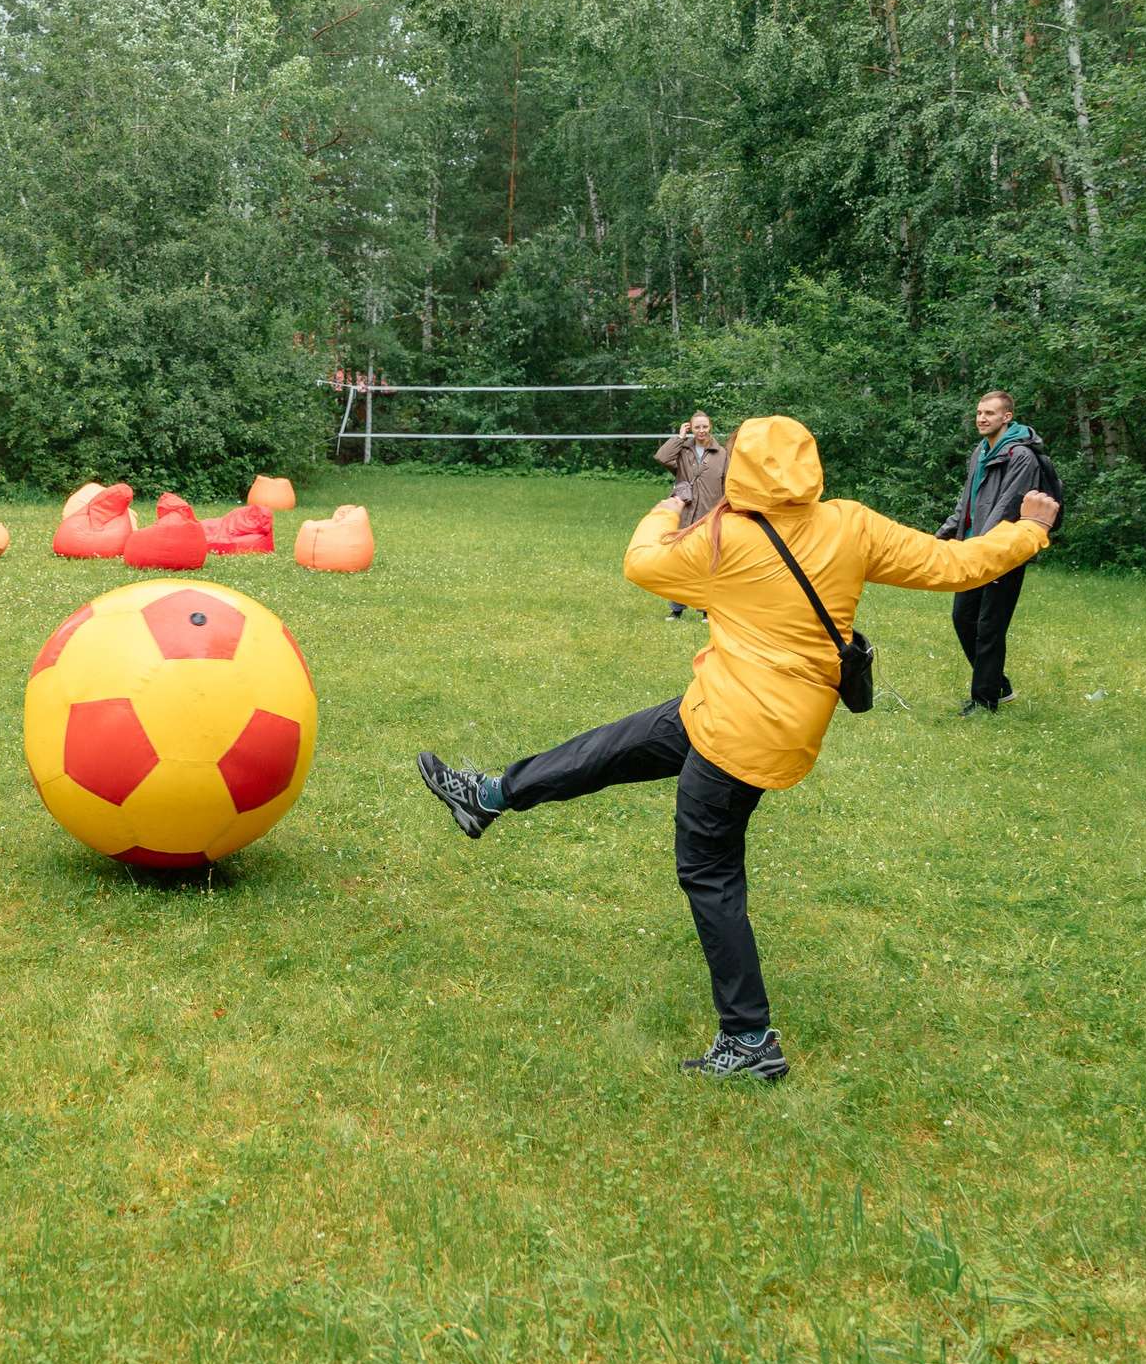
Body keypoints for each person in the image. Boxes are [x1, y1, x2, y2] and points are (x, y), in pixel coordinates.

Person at [414, 415, 1058, 1081]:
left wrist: (664, 511)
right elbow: (954, 564)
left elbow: (642, 563)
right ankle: (487, 797)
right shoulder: (849, 525)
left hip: (739, 737)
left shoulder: (722, 541)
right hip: (727, 707)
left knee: (709, 873)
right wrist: (1028, 529)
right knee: (610, 747)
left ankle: (750, 1041)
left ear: (740, 468)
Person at [935, 390, 1049, 716]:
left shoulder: (1021, 457)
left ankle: (985, 701)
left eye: (990, 413)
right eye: (979, 412)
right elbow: (966, 503)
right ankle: (999, 686)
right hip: (975, 552)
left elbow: (1006, 508)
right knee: (963, 618)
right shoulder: (980, 451)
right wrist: (943, 534)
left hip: (1004, 553)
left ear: (1006, 417)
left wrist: (981, 547)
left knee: (989, 627)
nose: (982, 418)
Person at [653, 413, 727, 621]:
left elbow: (727, 485)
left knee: (706, 561)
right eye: (696, 427)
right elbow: (661, 457)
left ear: (710, 427)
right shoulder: (683, 451)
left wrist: (723, 512)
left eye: (704, 427)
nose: (701, 431)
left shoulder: (721, 454)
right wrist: (679, 438)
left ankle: (705, 609)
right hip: (684, 513)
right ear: (690, 429)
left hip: (709, 514)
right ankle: (676, 609)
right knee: (679, 561)